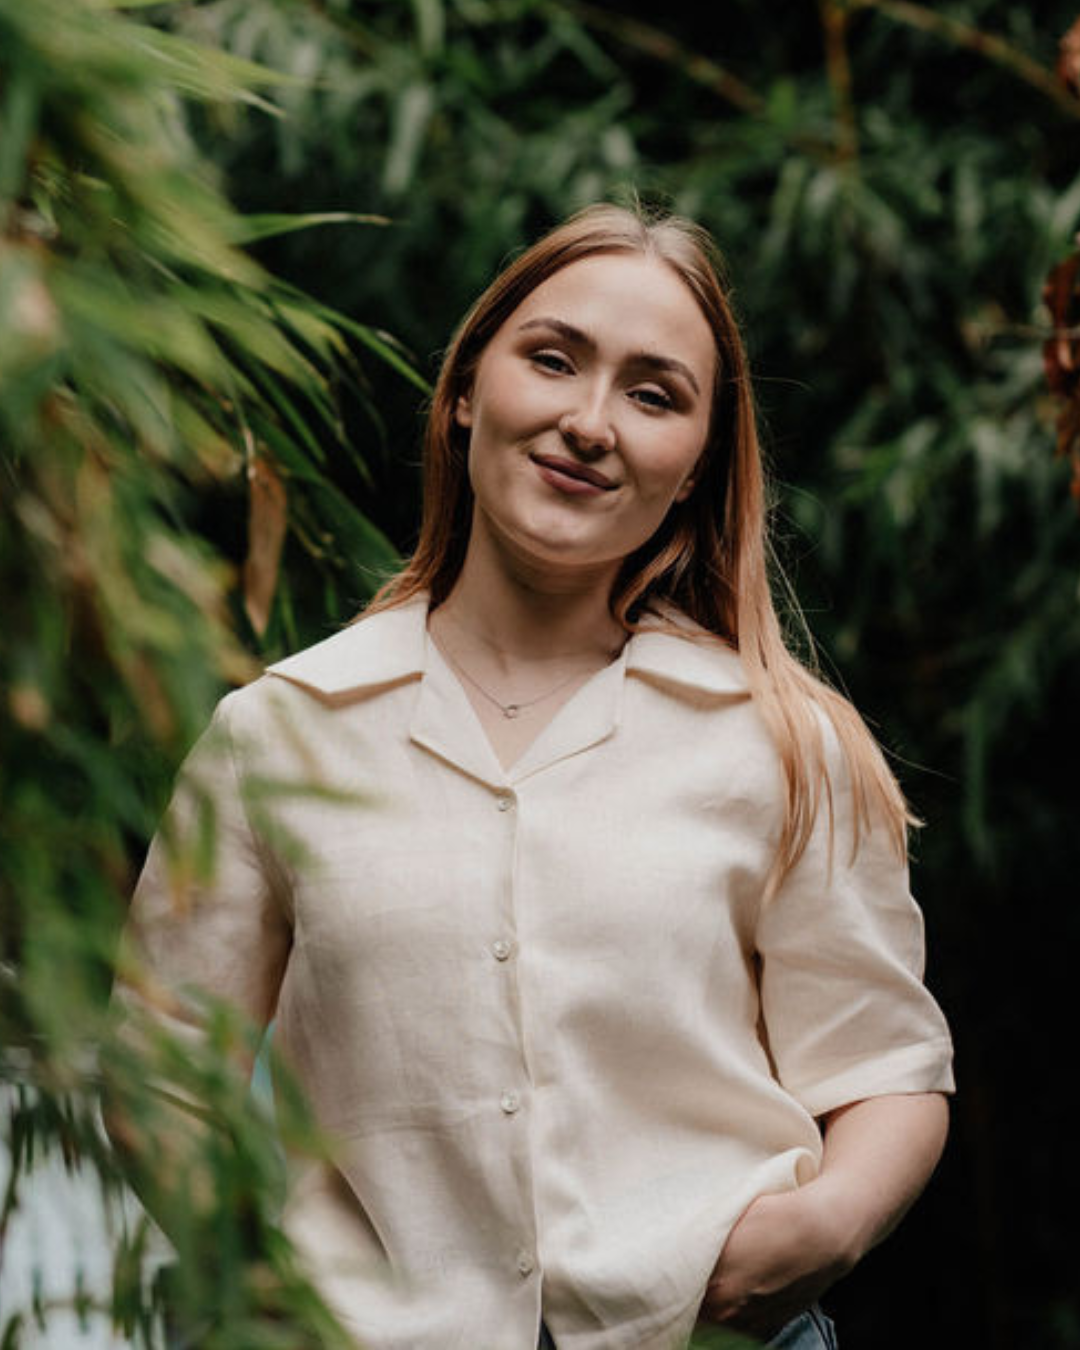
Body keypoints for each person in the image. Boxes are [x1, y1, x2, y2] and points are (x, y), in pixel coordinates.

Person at [117, 202, 954, 1350]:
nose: (589, 422)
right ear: (467, 389)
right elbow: (164, 1071)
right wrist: (280, 1295)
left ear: (698, 461)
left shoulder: (783, 744)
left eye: (654, 394)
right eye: (552, 360)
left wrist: (827, 1227)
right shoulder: (279, 738)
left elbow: (883, 1067)